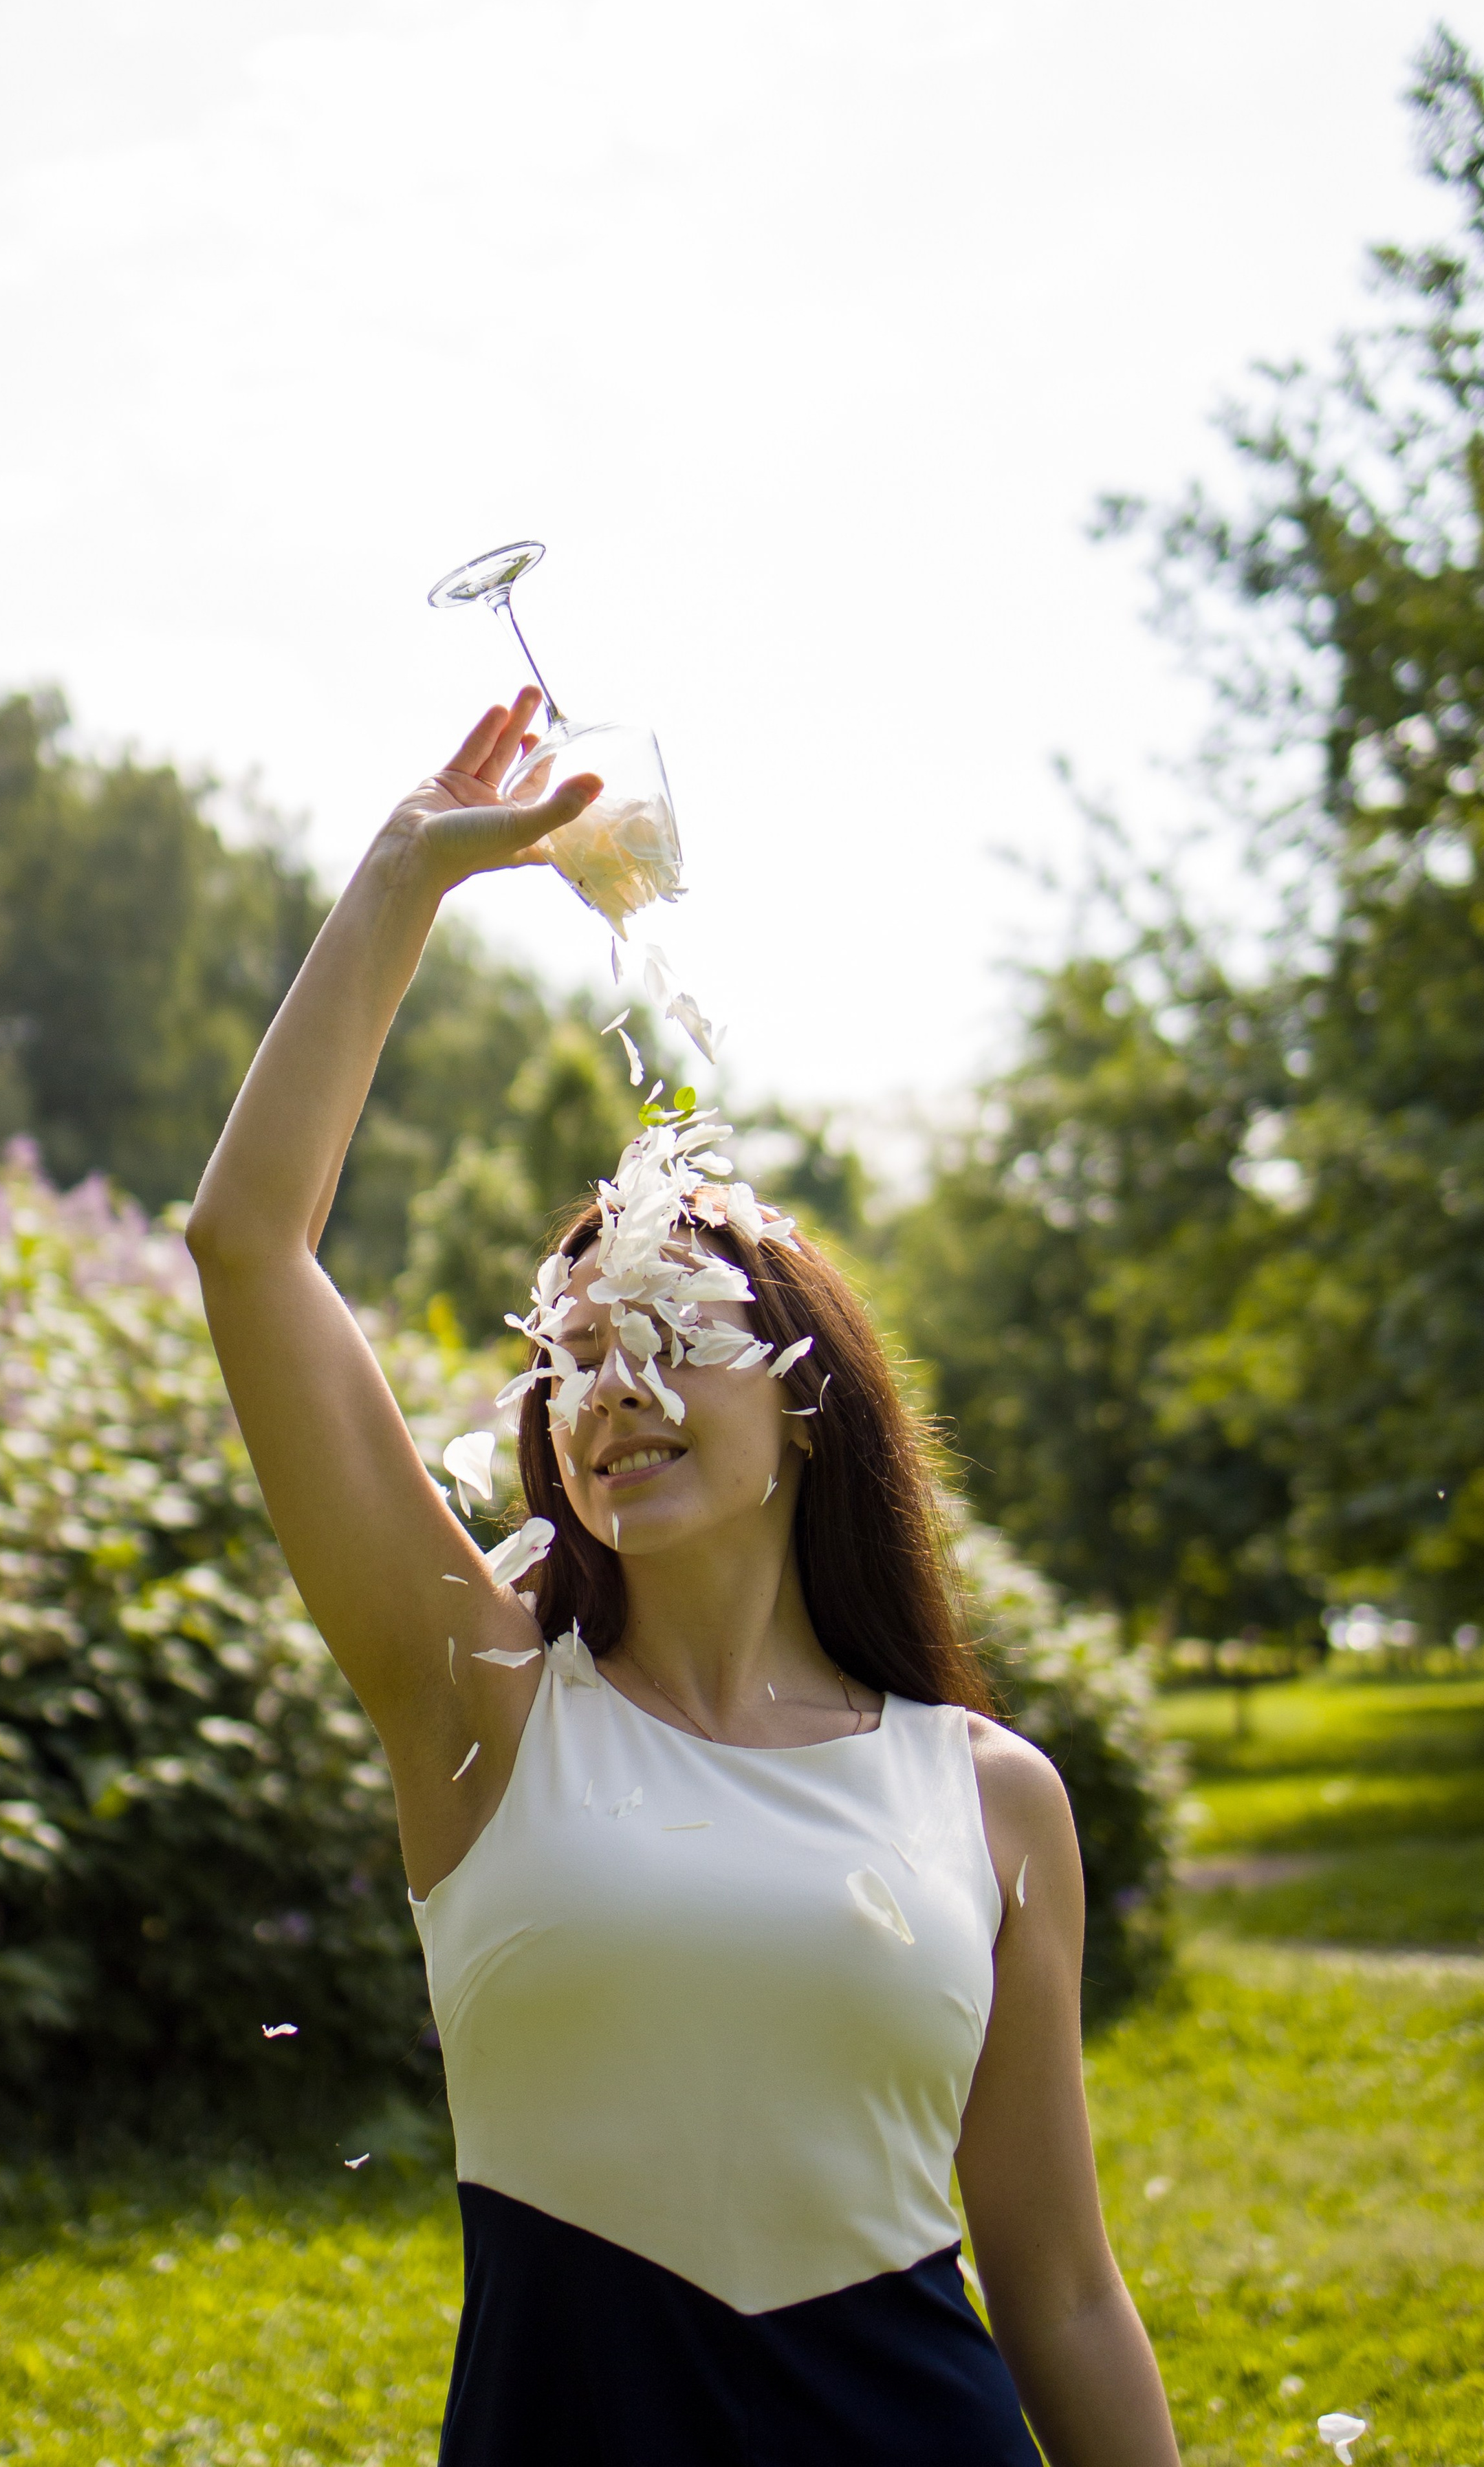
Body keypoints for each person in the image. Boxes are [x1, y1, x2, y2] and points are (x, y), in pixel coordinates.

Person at [186, 694, 1181, 2467]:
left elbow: (1064, 2289)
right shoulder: (481, 1697)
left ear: (805, 1402)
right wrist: (405, 875)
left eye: (666, 1332)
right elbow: (249, 1244)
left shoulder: (992, 1799)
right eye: (568, 1357)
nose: (609, 1385)